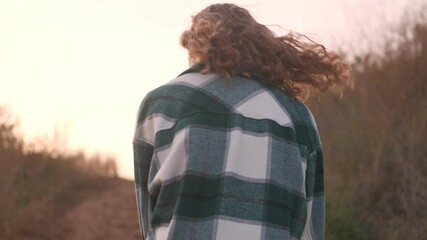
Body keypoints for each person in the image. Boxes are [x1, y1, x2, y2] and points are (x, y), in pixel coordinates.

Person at [133, 3, 350, 240]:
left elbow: (149, 219)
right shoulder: (297, 117)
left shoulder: (160, 104)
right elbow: (310, 228)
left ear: (194, 46)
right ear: (257, 46)